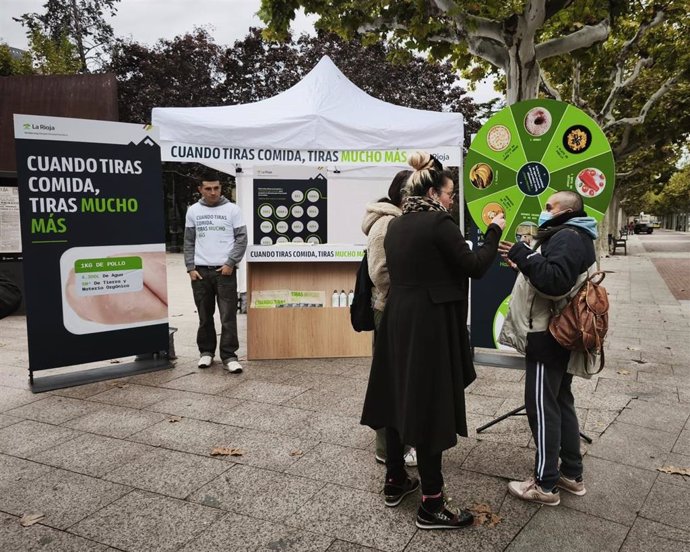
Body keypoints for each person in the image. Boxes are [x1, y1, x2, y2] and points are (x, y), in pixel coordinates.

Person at [361, 152, 505, 529]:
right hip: (429, 322)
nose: (453, 200)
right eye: (450, 193)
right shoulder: (439, 222)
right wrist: (494, 231)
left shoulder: (397, 225)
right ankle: (432, 503)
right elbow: (474, 266)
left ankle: (395, 480)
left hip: (398, 317)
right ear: (435, 193)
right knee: (428, 404)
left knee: (396, 396)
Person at [498, 190, 597, 506]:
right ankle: (571, 474)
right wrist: (524, 262)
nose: (544, 210)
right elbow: (556, 277)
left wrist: (525, 254)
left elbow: (555, 282)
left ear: (565, 211)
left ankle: (545, 484)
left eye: (549, 206)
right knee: (561, 401)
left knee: (542, 407)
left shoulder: (566, 236)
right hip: (559, 336)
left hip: (548, 336)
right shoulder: (574, 235)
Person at [361, 169, 417, 468]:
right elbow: (380, 273)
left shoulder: (397, 220)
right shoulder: (386, 224)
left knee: (398, 378)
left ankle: (398, 443)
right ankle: (387, 448)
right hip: (389, 309)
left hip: (397, 308)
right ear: (405, 195)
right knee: (390, 381)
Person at [184, 171, 247, 372]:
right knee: (205, 315)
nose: (213, 192)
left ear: (221, 188)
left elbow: (241, 239)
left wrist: (230, 263)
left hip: (225, 272)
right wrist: (190, 268)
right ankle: (206, 353)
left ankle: (229, 356)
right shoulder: (193, 211)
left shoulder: (233, 210)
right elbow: (189, 241)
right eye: (208, 188)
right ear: (200, 189)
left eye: (217, 188)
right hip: (200, 273)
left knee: (228, 316)